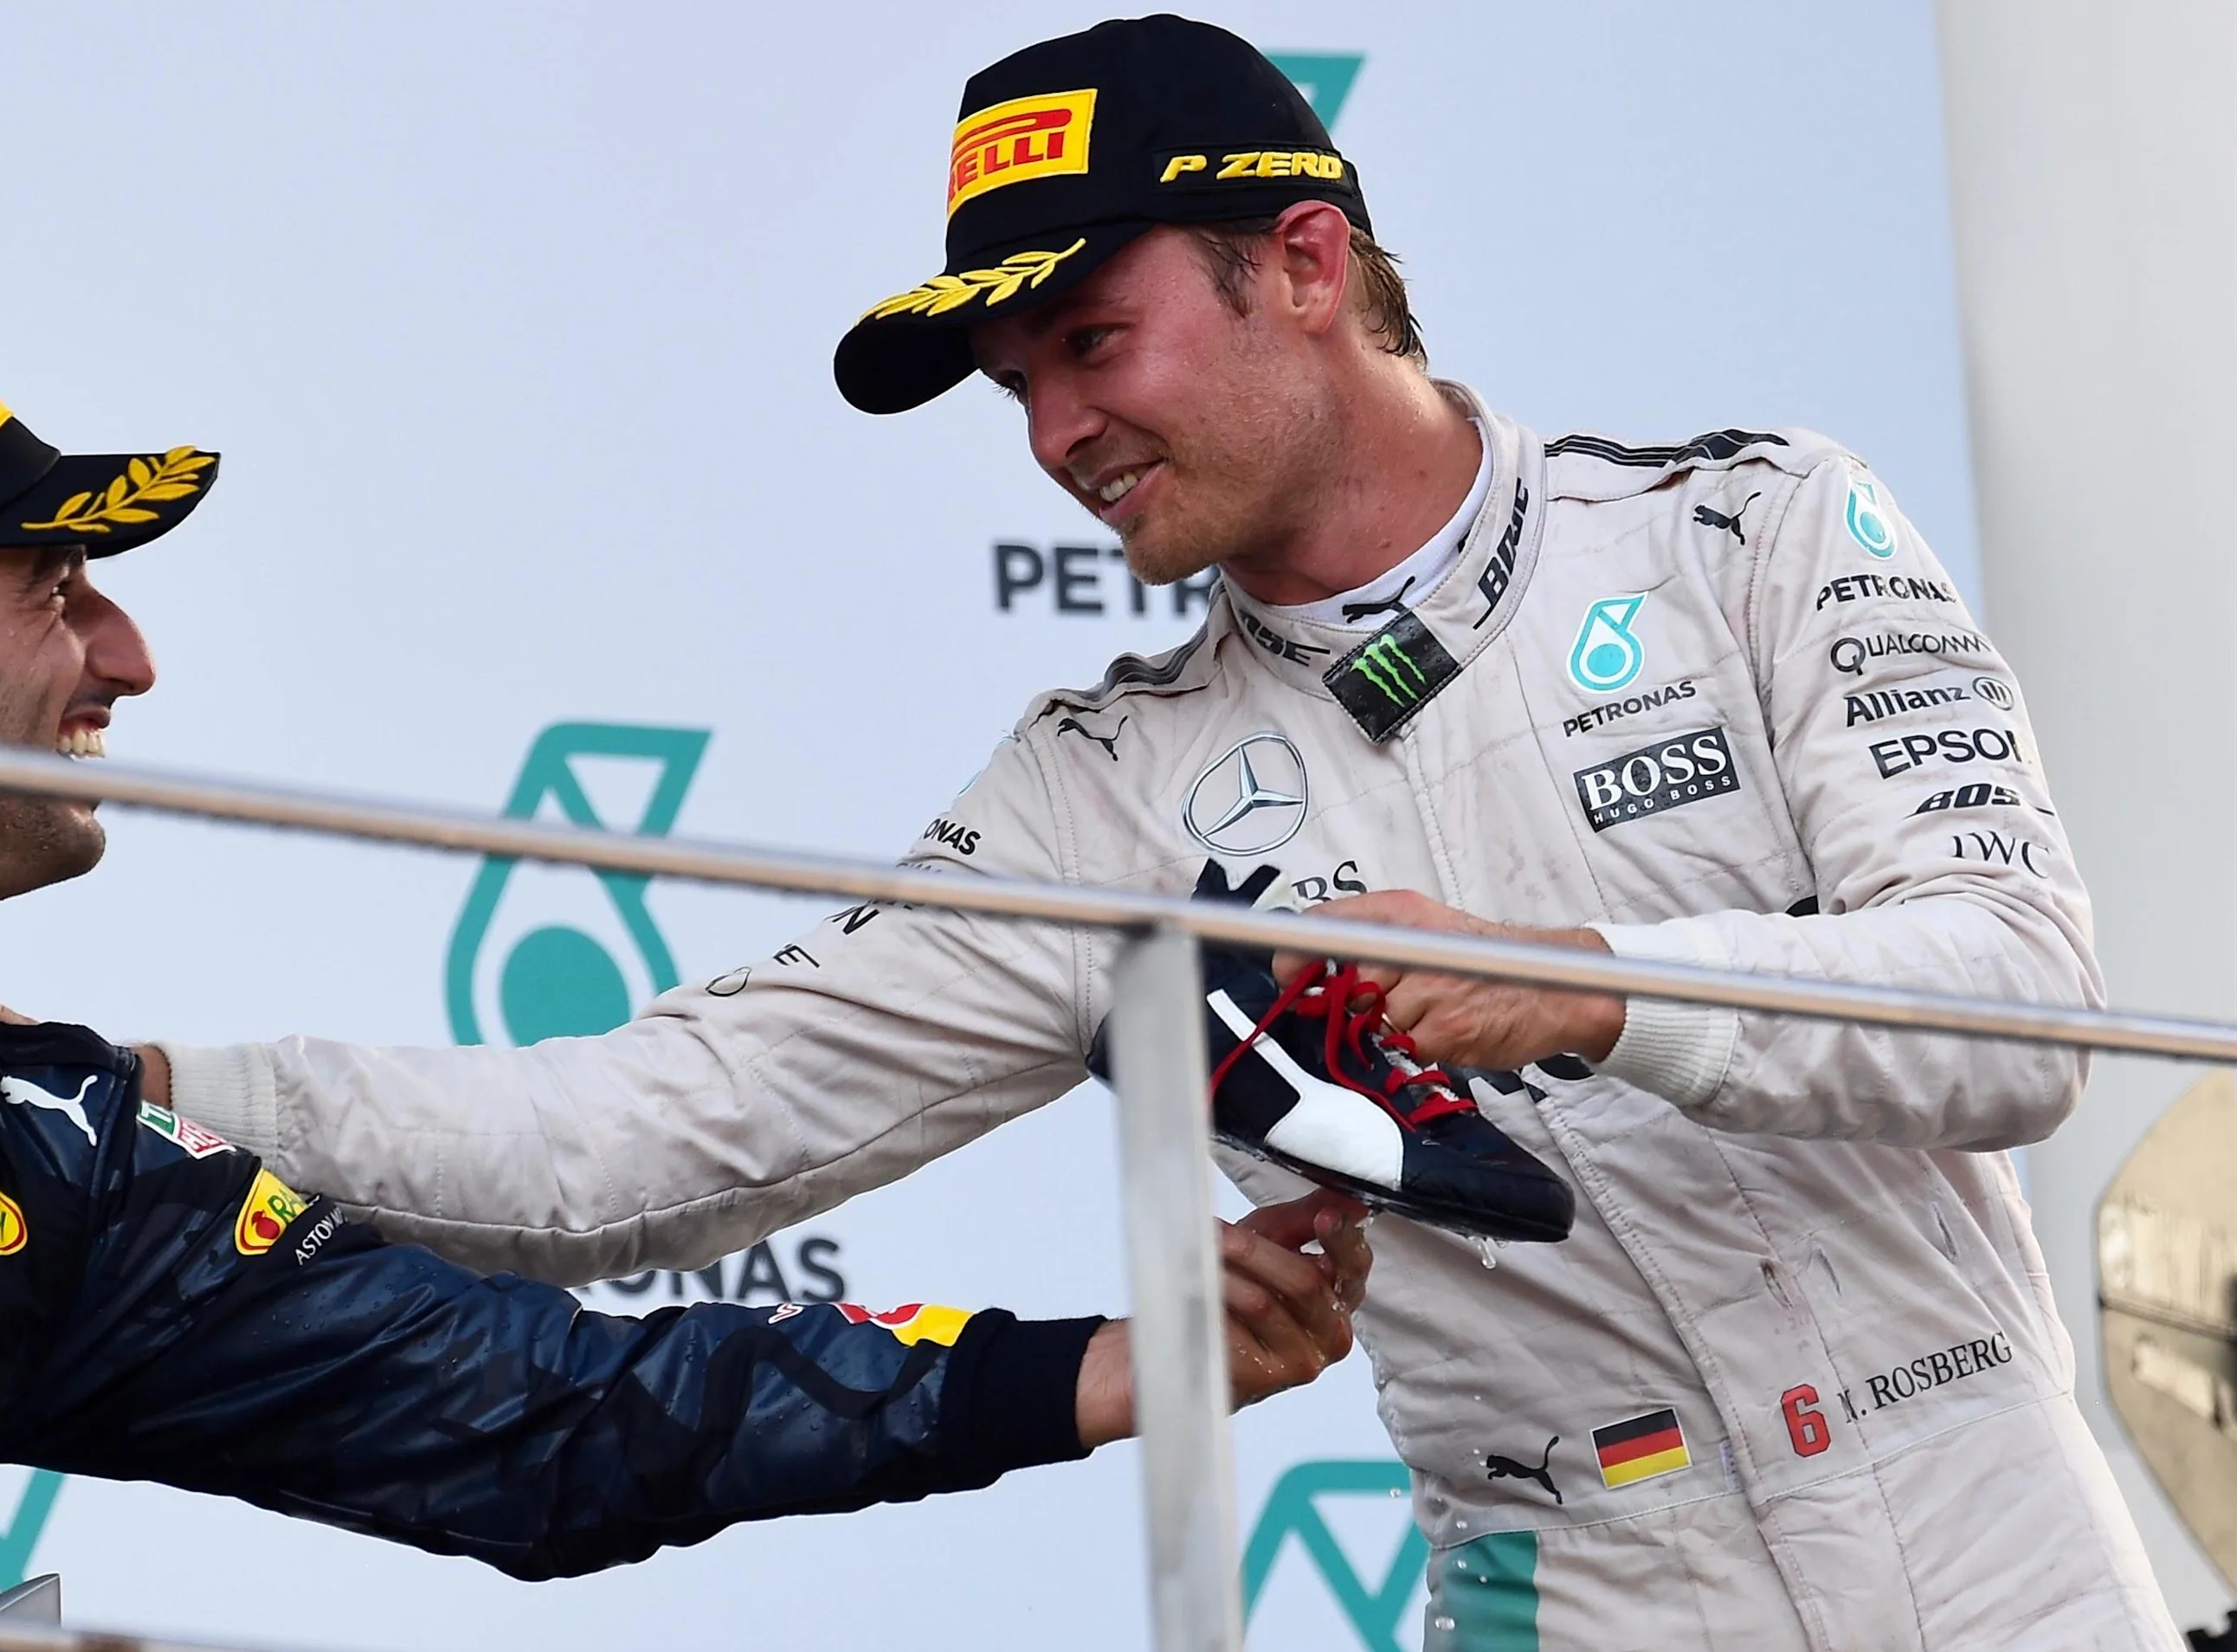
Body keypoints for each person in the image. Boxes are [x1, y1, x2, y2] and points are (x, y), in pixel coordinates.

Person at [129, 18, 2174, 1647]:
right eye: (1014, 384)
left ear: (1303, 264)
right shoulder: (1094, 798)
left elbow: (2024, 1015)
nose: (1050, 437)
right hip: (1574, 1588)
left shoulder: (1754, 529)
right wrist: (127, 1093)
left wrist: (1594, 993)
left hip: (2000, 1555)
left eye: (1089, 345)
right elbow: (638, 1151)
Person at [0, 329, 1371, 1650]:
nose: (125, 663)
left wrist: (1107, 1363)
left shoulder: (33, 1164)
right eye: (61, 597)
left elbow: (547, 1422)